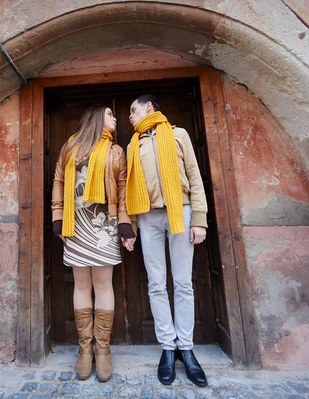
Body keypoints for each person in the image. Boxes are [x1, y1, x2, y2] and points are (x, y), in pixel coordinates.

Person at [125, 94, 208, 387]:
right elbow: (129, 187)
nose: (130, 117)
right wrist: (131, 227)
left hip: (180, 212)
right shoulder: (133, 145)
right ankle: (168, 348)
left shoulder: (178, 134)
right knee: (156, 283)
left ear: (149, 107)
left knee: (183, 281)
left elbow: (194, 176)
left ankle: (186, 349)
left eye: (133, 111)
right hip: (147, 217)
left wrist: (199, 218)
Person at [51, 105, 136, 382]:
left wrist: (125, 224)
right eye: (111, 114)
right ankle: (84, 349)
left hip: (105, 226)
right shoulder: (71, 145)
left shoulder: (116, 151)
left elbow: (123, 188)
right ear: (98, 118)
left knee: (102, 285)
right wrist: (57, 217)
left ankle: (102, 350)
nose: (115, 118)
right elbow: (59, 180)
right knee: (81, 285)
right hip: (75, 224)